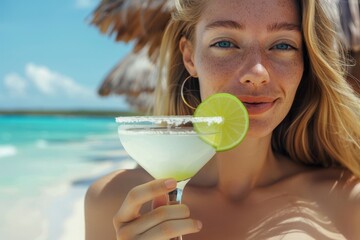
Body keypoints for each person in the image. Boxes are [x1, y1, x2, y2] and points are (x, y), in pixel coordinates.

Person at [85, 0, 360, 239]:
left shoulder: (349, 201)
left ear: (305, 62)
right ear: (190, 57)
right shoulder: (115, 201)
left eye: (283, 45)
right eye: (225, 43)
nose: (256, 71)